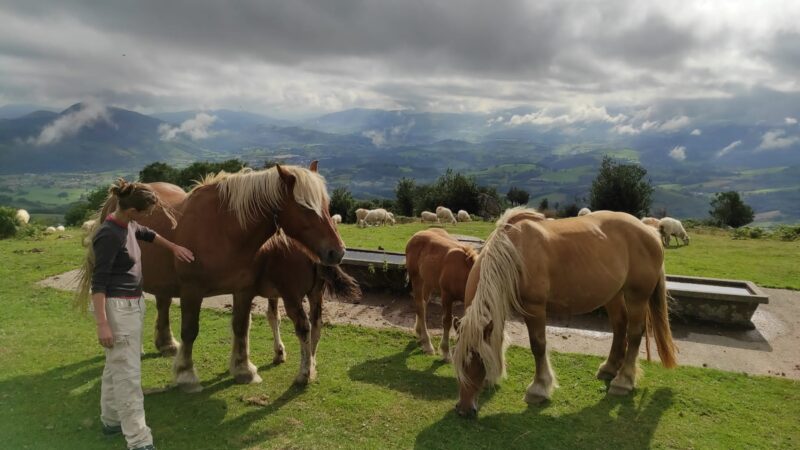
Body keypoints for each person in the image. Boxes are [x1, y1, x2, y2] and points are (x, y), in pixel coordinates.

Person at [89, 180, 194, 450]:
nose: (149, 216)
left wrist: (174, 248)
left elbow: (147, 233)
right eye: (146, 211)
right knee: (130, 375)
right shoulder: (109, 235)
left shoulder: (128, 225)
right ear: (132, 210)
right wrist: (102, 324)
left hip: (132, 304)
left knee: (117, 365)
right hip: (117, 308)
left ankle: (110, 419)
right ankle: (139, 440)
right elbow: (98, 284)